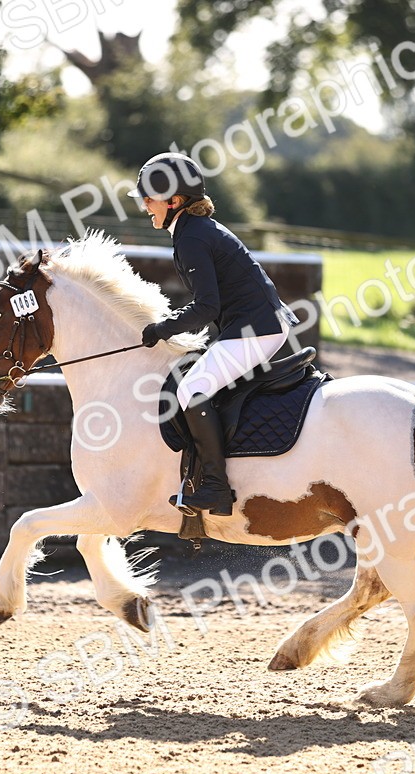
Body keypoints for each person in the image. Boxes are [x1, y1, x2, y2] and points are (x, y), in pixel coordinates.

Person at [129, 152, 299, 516]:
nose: (145, 205)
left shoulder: (192, 238)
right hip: (252, 325)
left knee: (191, 390)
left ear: (174, 201)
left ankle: (216, 489)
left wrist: (162, 328)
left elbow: (206, 307)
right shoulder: (194, 230)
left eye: (150, 199)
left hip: (256, 330)